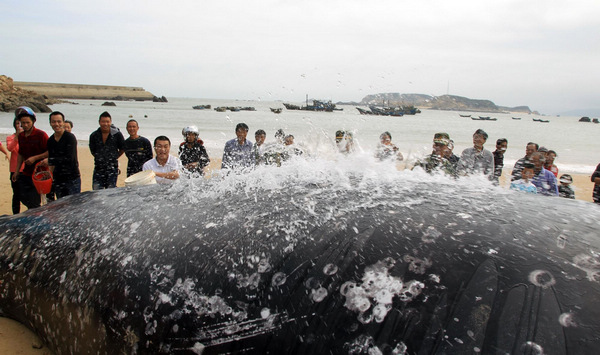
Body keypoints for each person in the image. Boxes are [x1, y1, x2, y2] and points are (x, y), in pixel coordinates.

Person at [11, 106, 49, 209]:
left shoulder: (41, 135)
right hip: (26, 172)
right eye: (23, 123)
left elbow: (49, 151)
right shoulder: (21, 136)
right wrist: (17, 171)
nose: (25, 125)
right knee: (21, 195)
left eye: (28, 122)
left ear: (33, 122)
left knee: (34, 201)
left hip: (39, 173)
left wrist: (35, 158)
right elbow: (20, 154)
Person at [46, 111, 81, 198]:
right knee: (61, 208)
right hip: (58, 179)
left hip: (72, 178)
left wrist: (50, 160)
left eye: (59, 121)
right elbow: (51, 163)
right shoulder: (50, 140)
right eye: (53, 122)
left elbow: (70, 158)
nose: (56, 124)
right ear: (50, 123)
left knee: (74, 207)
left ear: (63, 122)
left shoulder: (70, 137)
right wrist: (50, 179)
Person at [89, 111, 125, 189]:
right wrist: (100, 157)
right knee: (96, 192)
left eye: (107, 122)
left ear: (110, 122)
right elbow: (93, 150)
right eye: (103, 122)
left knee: (110, 193)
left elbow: (122, 148)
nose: (105, 124)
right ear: (99, 122)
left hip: (112, 169)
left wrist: (114, 157)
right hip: (98, 168)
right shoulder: (94, 135)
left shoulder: (117, 134)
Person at [7, 117, 23, 214]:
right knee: (16, 194)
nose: (20, 126)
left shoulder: (28, 138)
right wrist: (17, 137)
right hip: (15, 169)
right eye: (18, 123)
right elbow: (10, 148)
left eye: (22, 123)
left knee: (29, 194)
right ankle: (16, 214)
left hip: (27, 169)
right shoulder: (11, 138)